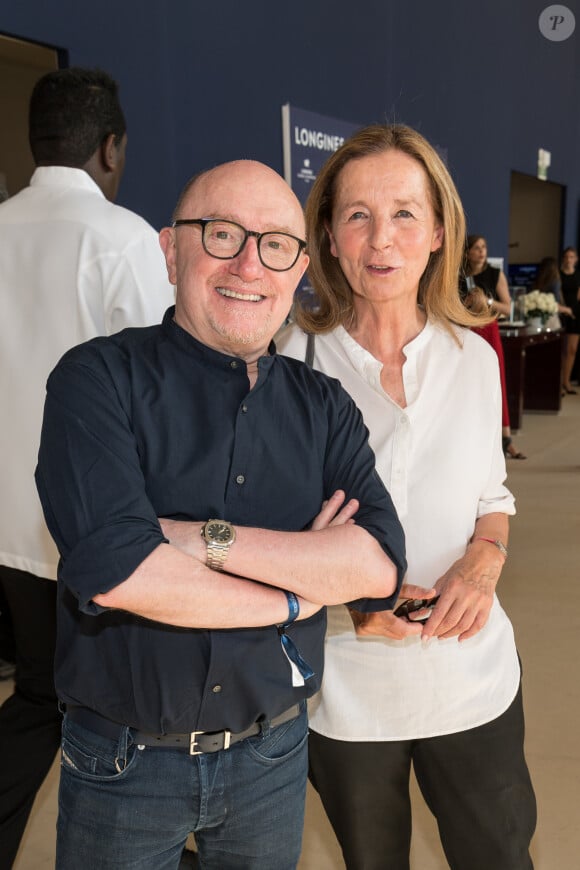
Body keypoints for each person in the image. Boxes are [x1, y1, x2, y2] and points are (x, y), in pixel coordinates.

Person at [34, 158, 407, 870]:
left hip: (271, 757)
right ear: (172, 250)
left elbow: (377, 565)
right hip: (123, 767)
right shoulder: (95, 379)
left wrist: (193, 540)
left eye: (275, 245)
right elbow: (119, 573)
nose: (249, 264)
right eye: (222, 234)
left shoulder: (323, 409)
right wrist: (299, 592)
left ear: (300, 270)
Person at [278, 124, 536, 870]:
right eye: (356, 215)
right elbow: (266, 531)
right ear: (327, 236)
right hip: (348, 688)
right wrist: (347, 600)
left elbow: (493, 491)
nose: (379, 239)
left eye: (403, 214)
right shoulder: (293, 361)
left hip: (471, 674)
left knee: (497, 854)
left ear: (438, 232)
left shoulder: (474, 355)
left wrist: (485, 556)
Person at [0, 67, 175, 868]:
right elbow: (161, 393)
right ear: (112, 147)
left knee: (38, 695)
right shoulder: (121, 238)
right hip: (90, 531)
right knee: (115, 708)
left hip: (6, 530)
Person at [463, 234, 526, 459]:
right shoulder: (457, 276)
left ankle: (506, 437)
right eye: (476, 248)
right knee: (469, 384)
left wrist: (487, 302)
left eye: (484, 247)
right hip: (465, 331)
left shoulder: (495, 275)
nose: (481, 251)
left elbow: (509, 309)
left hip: (488, 330)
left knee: (496, 380)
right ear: (468, 252)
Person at [559, 247, 580, 394]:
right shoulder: (558, 275)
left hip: (576, 313)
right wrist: (564, 309)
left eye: (572, 257)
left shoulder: (578, 275)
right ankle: (558, 382)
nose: (569, 259)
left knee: (572, 350)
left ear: (576, 259)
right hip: (562, 313)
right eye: (567, 257)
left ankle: (566, 381)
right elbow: (557, 294)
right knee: (561, 350)